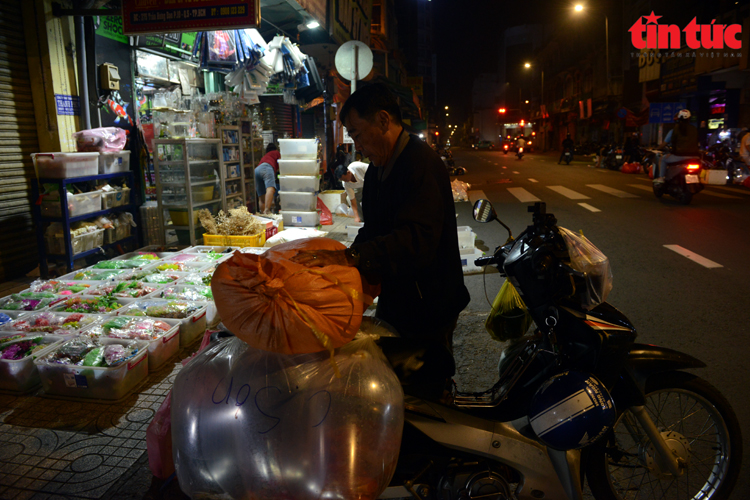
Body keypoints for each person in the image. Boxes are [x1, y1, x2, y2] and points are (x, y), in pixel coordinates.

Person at [291, 83, 470, 352]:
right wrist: (343, 269)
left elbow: (416, 240)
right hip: (397, 295)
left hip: (430, 302)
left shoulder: (422, 164)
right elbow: (373, 229)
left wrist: (351, 257)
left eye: (358, 135)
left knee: (424, 382)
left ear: (383, 120)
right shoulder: (377, 170)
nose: (359, 147)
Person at [653, 109, 699, 184]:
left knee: (663, 159)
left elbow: (671, 143)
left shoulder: (675, 130)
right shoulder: (694, 129)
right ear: (689, 118)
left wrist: (665, 151)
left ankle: (661, 178)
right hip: (695, 156)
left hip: (679, 155)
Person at [254, 143, 281, 213]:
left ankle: (263, 215)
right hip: (267, 168)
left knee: (261, 196)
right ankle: (267, 210)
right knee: (271, 189)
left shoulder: (266, 156)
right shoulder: (276, 153)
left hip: (257, 170)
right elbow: (281, 165)